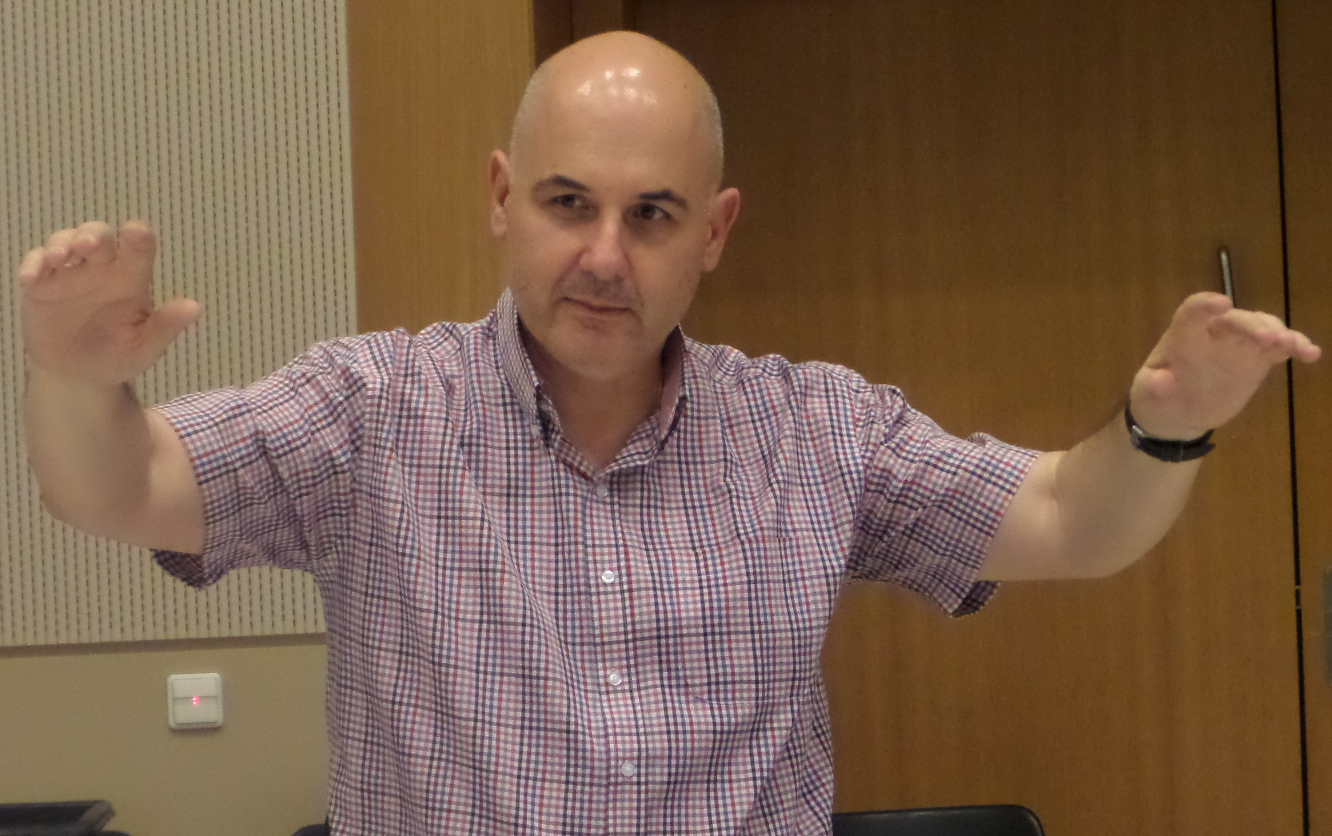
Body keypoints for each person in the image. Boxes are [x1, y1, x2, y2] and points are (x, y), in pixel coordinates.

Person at [15, 30, 1321, 836]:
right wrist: (74, 381)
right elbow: (123, 487)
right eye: (566, 203)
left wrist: (1163, 430)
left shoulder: (813, 429)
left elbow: (1064, 520)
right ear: (500, 197)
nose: (603, 255)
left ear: (716, 230)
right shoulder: (370, 413)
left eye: (651, 215)